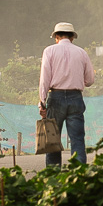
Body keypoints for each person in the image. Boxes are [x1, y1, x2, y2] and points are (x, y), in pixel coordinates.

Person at [38, 21, 95, 166]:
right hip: (75, 97)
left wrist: (42, 102)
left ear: (56, 37)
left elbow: (45, 78)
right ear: (72, 37)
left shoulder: (49, 51)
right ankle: (78, 174)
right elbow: (90, 80)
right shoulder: (81, 52)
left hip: (55, 98)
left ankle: (53, 174)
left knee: (53, 139)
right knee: (77, 138)